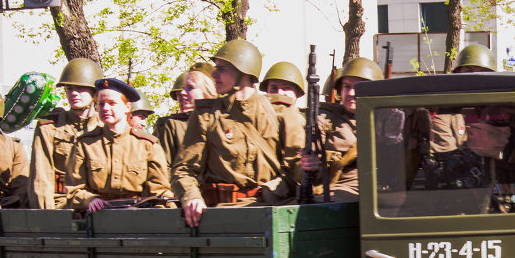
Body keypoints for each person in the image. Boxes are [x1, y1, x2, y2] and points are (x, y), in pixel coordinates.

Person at [172, 39, 303, 227]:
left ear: (243, 72)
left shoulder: (280, 111)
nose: (214, 74)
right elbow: (183, 169)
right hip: (223, 214)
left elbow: (297, 166)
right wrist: (192, 197)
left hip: (272, 210)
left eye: (222, 69)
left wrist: (311, 168)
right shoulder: (206, 114)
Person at [63, 79, 172, 212]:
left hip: (138, 217)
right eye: (101, 104)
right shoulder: (84, 144)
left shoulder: (147, 145)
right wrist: (90, 199)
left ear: (127, 107)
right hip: (97, 218)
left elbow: (160, 191)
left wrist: (158, 215)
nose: (105, 108)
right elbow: (74, 189)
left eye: (112, 103)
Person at [301, 57, 380, 203]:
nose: (350, 93)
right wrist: (309, 163)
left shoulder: (387, 119)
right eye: (346, 86)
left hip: (379, 188)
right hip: (337, 188)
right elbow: (305, 159)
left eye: (358, 87)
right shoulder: (326, 118)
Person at [29, 58, 103, 209]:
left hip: (99, 204)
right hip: (62, 204)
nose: (74, 93)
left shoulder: (105, 127)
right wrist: (47, 217)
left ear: (94, 92)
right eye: (69, 88)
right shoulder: (49, 127)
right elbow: (41, 176)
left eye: (80, 88)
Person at [155, 68, 217, 165]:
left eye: (191, 88)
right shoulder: (173, 125)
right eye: (178, 94)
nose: (183, 95)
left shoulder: (222, 120)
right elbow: (164, 166)